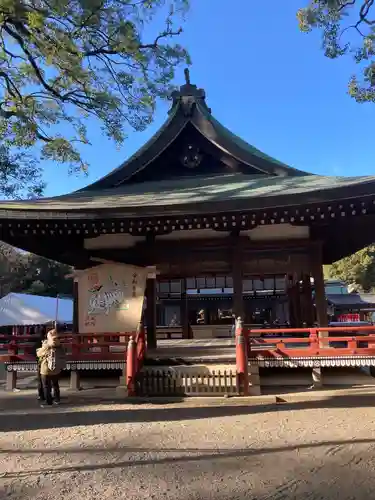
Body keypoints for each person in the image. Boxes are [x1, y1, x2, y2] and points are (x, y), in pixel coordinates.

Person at [36, 329, 66, 407]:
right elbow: (63, 354)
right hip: (56, 369)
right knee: (55, 385)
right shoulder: (60, 345)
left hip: (46, 369)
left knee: (46, 386)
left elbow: (39, 354)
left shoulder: (46, 345)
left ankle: (49, 401)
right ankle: (57, 399)